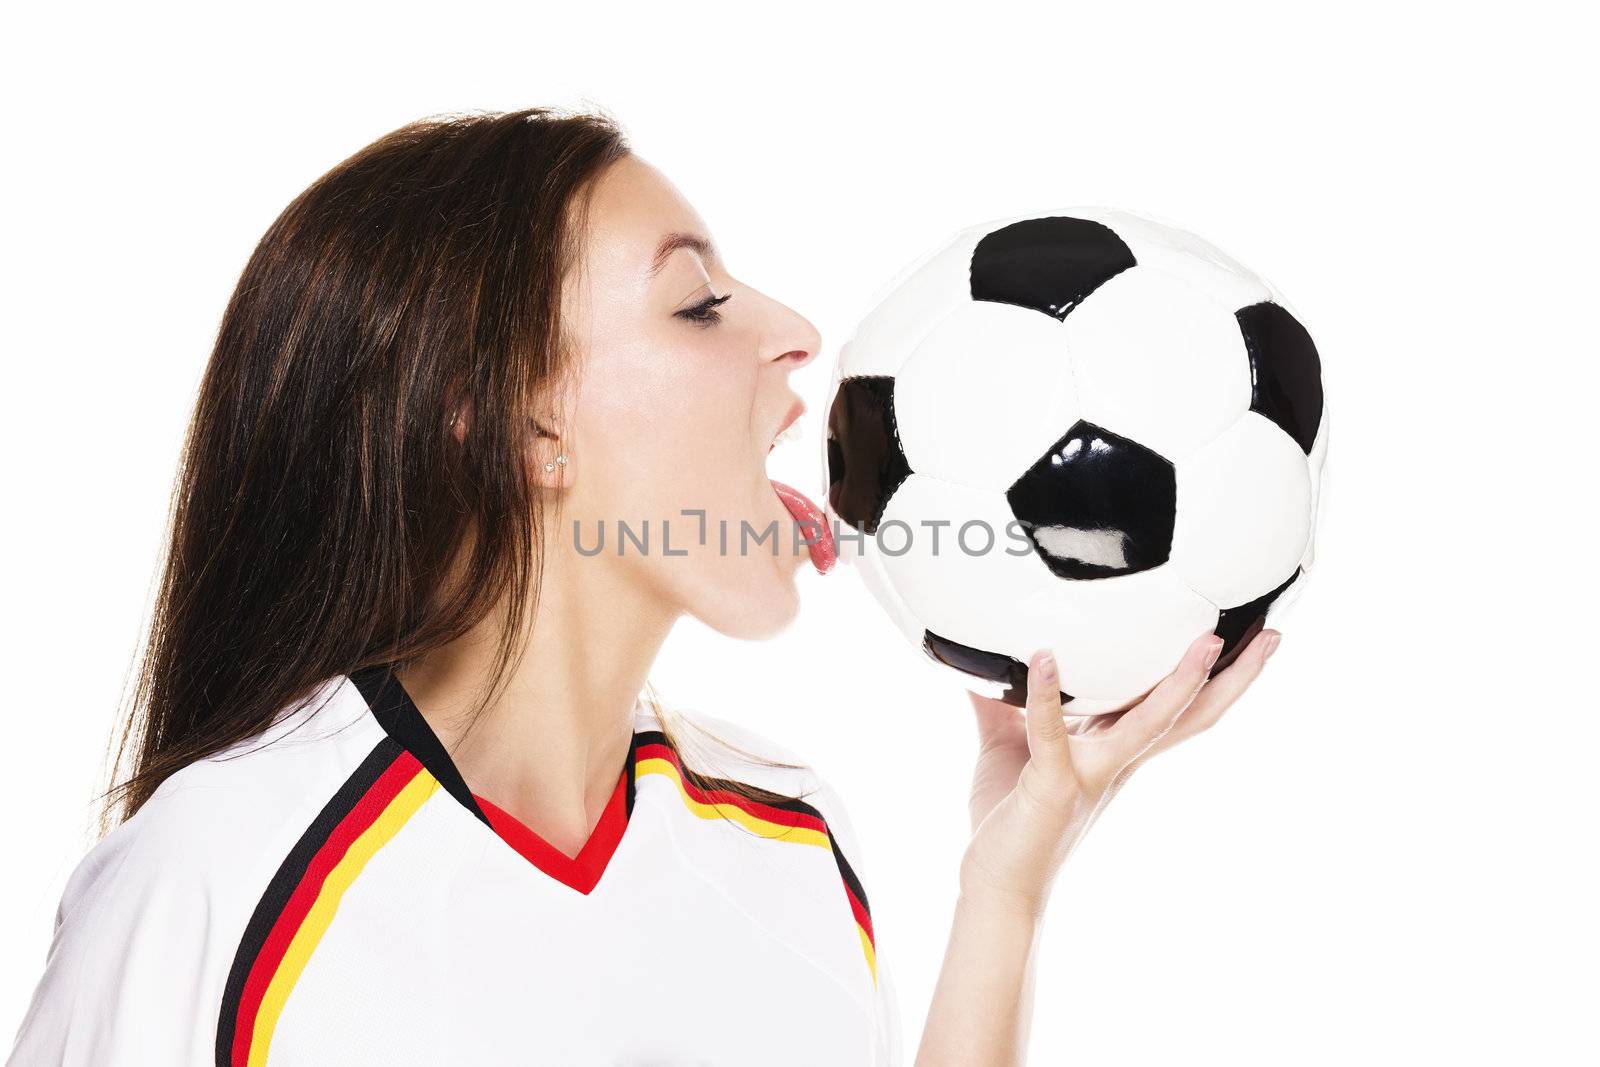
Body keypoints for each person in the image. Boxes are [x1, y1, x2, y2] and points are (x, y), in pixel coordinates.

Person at [6, 107, 1278, 1067]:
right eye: (697, 302)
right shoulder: (214, 882)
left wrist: (1007, 886)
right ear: (519, 432)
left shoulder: (785, 834)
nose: (792, 330)